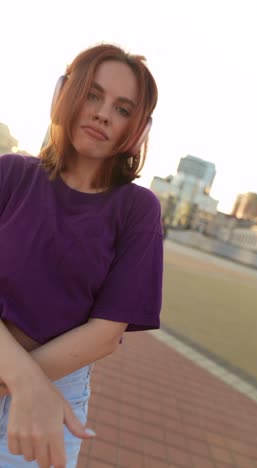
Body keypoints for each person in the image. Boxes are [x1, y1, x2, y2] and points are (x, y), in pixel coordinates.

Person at [0, 43, 163, 467]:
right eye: (93, 94)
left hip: (58, 391)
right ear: (62, 96)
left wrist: (22, 385)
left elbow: (106, 333)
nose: (103, 114)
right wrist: (22, 381)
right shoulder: (9, 174)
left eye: (122, 109)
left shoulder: (138, 209)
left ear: (139, 130)